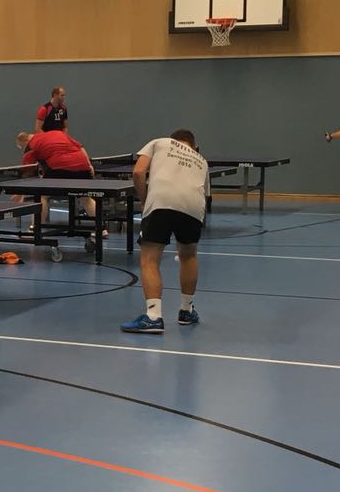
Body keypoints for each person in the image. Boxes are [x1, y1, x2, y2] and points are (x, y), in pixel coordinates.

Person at [121, 129, 208, 335]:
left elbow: (138, 172)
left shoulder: (159, 142)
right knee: (189, 256)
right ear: (194, 147)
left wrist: (144, 200)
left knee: (150, 259)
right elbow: (205, 194)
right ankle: (187, 311)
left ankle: (153, 317)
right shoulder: (202, 161)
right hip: (194, 206)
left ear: (172, 140)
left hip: (162, 200)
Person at [15, 123, 101, 235]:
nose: (23, 150)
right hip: (82, 166)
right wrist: (89, 165)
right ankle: (101, 229)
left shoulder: (31, 145)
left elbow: (27, 170)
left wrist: (20, 193)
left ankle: (34, 230)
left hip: (60, 168)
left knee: (41, 196)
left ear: (25, 141)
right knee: (86, 198)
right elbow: (80, 147)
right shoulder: (57, 133)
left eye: (22, 147)